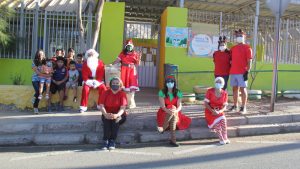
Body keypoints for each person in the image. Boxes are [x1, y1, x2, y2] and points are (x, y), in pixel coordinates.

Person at [156, 75, 192, 147]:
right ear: (165, 83)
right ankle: (173, 140)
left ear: (174, 83)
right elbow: (163, 106)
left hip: (175, 112)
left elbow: (179, 106)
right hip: (164, 112)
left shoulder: (178, 92)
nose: (170, 83)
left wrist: (175, 111)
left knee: (173, 112)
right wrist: (170, 111)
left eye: (172, 81)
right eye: (168, 82)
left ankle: (163, 128)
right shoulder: (161, 92)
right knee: (172, 113)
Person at [98, 77, 127, 150]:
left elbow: (122, 108)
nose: (115, 85)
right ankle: (105, 141)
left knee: (115, 121)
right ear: (110, 84)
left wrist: (117, 115)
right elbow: (101, 106)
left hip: (120, 114)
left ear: (120, 85)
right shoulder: (105, 93)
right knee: (107, 121)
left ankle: (112, 141)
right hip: (107, 113)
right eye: (113, 83)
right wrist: (105, 114)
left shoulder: (122, 94)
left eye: (117, 83)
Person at [228, 29, 253, 114]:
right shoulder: (233, 48)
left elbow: (249, 61)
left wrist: (247, 71)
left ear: (244, 37)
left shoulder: (248, 48)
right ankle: (235, 106)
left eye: (241, 36)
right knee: (235, 89)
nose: (239, 37)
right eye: (237, 36)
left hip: (242, 72)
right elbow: (230, 59)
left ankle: (243, 107)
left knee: (243, 89)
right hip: (233, 72)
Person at [113, 39, 141, 109]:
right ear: (126, 46)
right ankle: (123, 103)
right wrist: (111, 64)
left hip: (131, 70)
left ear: (132, 47)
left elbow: (138, 64)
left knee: (131, 86)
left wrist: (139, 58)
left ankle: (131, 104)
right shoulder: (122, 53)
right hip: (124, 70)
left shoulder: (135, 54)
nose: (129, 47)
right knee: (123, 86)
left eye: (130, 46)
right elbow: (117, 60)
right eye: (128, 46)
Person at [204, 77, 230, 145]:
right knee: (217, 123)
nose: (218, 83)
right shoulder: (210, 91)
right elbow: (206, 103)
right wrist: (212, 111)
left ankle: (225, 137)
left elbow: (224, 106)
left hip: (219, 111)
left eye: (220, 82)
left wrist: (220, 111)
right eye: (217, 82)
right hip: (210, 111)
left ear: (223, 84)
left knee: (223, 120)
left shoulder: (224, 93)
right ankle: (221, 138)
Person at [80, 49, 107, 113]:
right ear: (87, 56)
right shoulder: (85, 63)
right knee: (85, 89)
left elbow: (101, 73)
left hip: (98, 80)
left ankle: (100, 105)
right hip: (88, 81)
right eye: (89, 55)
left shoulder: (100, 62)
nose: (91, 56)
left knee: (103, 88)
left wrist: (97, 82)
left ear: (95, 55)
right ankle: (83, 107)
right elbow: (84, 74)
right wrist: (90, 82)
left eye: (92, 54)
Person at [31, 49, 50, 114]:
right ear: (37, 55)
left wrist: (49, 74)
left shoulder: (46, 62)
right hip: (35, 79)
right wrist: (47, 75)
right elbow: (38, 73)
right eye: (39, 54)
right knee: (39, 92)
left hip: (43, 79)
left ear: (44, 55)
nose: (40, 55)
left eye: (42, 54)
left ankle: (34, 97)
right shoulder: (34, 62)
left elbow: (49, 69)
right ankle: (35, 108)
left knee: (40, 92)